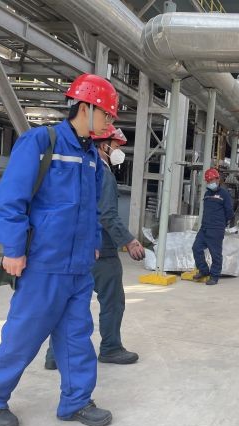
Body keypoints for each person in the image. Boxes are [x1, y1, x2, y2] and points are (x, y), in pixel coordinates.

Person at [0, 73, 118, 426]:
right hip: (43, 263)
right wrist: (13, 249)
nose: (109, 122)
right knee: (23, 335)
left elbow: (89, 209)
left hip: (78, 267)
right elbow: (12, 199)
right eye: (106, 114)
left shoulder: (90, 156)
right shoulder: (42, 142)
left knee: (77, 337)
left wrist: (93, 245)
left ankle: (76, 400)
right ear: (85, 108)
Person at [44, 125, 144, 370]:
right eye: (116, 146)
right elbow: (107, 214)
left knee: (69, 302)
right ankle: (111, 348)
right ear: (103, 145)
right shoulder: (103, 174)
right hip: (102, 250)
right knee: (113, 301)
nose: (119, 151)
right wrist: (129, 240)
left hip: (73, 247)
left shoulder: (79, 169)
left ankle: (55, 355)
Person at [192, 168, 234, 285]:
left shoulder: (224, 194)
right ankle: (204, 271)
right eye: (208, 181)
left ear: (218, 179)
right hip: (204, 228)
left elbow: (230, 212)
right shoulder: (207, 194)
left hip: (216, 229)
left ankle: (214, 276)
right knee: (196, 248)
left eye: (212, 180)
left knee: (215, 254)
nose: (210, 182)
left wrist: (221, 224)